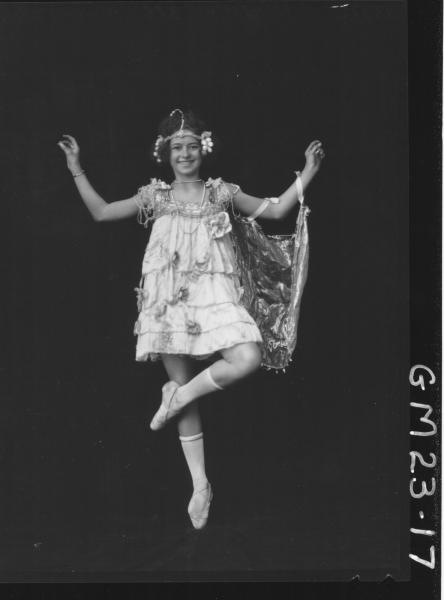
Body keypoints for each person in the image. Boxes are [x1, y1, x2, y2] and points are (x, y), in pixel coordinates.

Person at [58, 108, 324, 530]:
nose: (185, 153)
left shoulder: (221, 193)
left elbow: (274, 211)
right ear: (165, 154)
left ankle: (177, 398)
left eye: (192, 145)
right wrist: (76, 169)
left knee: (246, 358)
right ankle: (200, 484)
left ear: (205, 148)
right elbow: (103, 213)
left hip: (215, 295)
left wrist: (307, 173)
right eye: (176, 147)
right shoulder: (155, 197)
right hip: (168, 302)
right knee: (181, 385)